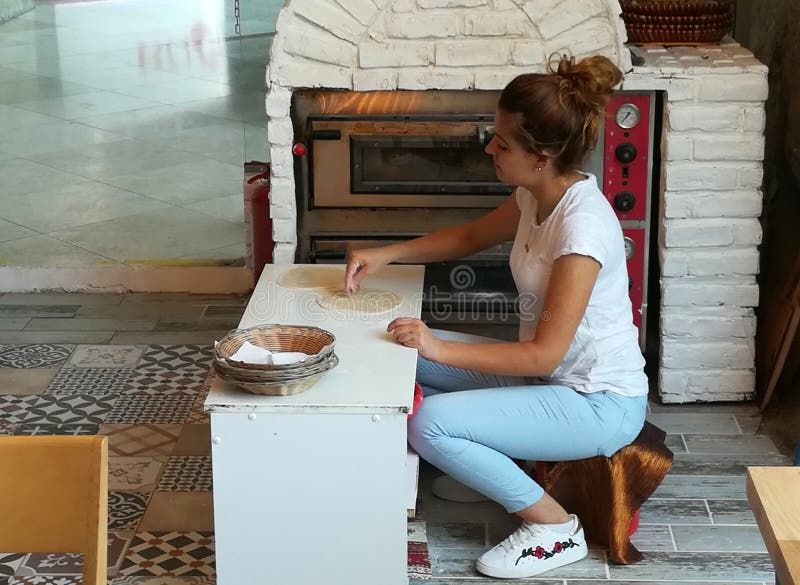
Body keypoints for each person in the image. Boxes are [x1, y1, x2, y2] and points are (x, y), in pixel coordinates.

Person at [343, 54, 648, 579]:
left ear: (542, 154)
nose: (489, 147)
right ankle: (486, 455)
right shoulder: (537, 195)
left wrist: (437, 347)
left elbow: (544, 353)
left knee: (426, 420)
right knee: (397, 356)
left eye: (503, 142)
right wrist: (387, 252)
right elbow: (469, 236)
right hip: (545, 377)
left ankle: (554, 527)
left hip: (596, 401)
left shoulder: (583, 231)